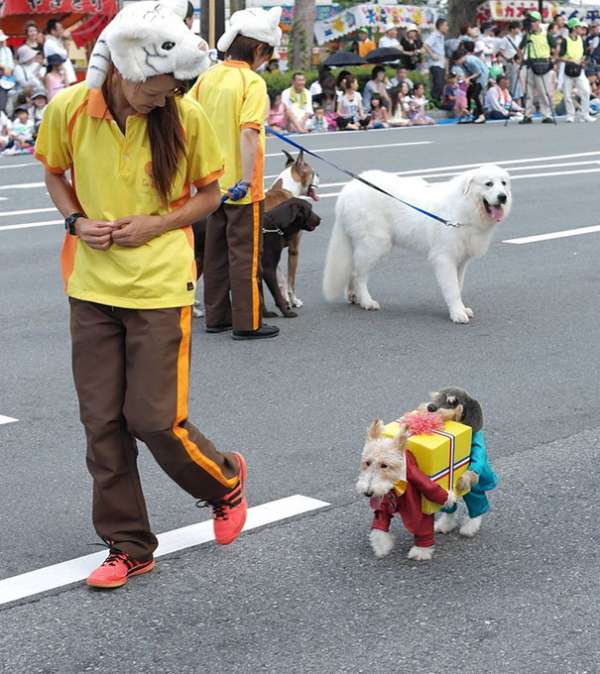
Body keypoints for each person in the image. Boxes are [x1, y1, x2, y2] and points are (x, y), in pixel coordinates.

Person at [35, 0, 249, 590]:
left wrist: (156, 224)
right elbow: (53, 171)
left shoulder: (186, 116)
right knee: (101, 423)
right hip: (91, 286)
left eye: (174, 88)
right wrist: (76, 221)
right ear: (127, 66)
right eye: (158, 87)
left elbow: (211, 193)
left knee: (154, 419)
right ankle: (128, 545)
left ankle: (224, 480)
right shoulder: (70, 109)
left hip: (160, 285)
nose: (166, 97)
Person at [189, 6, 281, 340]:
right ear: (259, 48)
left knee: (214, 252)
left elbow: (191, 125)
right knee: (245, 256)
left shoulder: (208, 77)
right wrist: (245, 179)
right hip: (243, 187)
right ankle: (247, 322)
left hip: (212, 185)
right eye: (267, 54)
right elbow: (248, 133)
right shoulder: (252, 82)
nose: (266, 61)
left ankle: (216, 316)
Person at [520, 10, 555, 124]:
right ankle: (527, 115)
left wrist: (551, 60)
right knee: (528, 92)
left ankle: (546, 115)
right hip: (530, 64)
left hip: (543, 65)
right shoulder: (528, 35)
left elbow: (554, 49)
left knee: (543, 91)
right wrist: (522, 58)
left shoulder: (547, 35)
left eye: (534, 21)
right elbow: (520, 49)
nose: (532, 23)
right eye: (530, 21)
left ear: (539, 21)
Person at [561, 18, 595, 123]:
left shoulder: (581, 40)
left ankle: (585, 114)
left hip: (579, 70)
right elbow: (560, 57)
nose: (581, 28)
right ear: (574, 28)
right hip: (568, 70)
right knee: (567, 94)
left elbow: (585, 54)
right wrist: (572, 61)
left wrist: (582, 61)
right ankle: (570, 115)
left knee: (586, 91)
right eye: (579, 27)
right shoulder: (565, 40)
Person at [462, 41, 489, 123]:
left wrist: (469, 79)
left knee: (475, 95)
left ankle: (481, 115)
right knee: (469, 93)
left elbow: (478, 72)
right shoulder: (467, 58)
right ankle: (470, 114)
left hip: (481, 77)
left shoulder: (469, 59)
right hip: (476, 78)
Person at [44, 19, 76, 85]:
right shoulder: (49, 42)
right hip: (60, 77)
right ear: (53, 31)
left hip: (66, 75)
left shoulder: (58, 41)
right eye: (60, 28)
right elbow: (64, 55)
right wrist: (66, 43)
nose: (62, 30)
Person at [425, 17, 448, 103]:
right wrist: (432, 54)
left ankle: (436, 101)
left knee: (441, 84)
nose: (447, 27)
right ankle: (432, 101)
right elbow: (426, 45)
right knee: (438, 84)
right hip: (435, 64)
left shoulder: (441, 36)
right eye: (446, 25)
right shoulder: (434, 35)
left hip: (441, 64)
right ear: (440, 26)